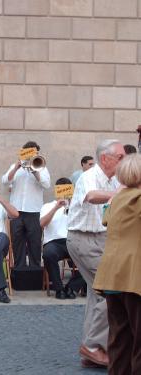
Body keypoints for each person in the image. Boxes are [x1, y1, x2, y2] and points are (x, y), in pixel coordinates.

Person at [67, 139, 126, 369]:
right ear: (105, 159)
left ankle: (91, 349)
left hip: (100, 239)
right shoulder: (90, 176)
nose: (123, 162)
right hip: (84, 239)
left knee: (96, 293)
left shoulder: (114, 179)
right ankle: (92, 345)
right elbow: (91, 196)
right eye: (120, 157)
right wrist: (120, 194)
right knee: (109, 290)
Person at [93, 154, 141, 375]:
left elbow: (105, 219)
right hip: (134, 277)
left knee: (119, 341)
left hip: (112, 276)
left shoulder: (117, 198)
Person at [1, 141, 50, 269]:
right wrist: (16, 166)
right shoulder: (15, 166)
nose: (33, 155)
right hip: (16, 212)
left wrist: (35, 172)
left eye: (36, 153)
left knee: (34, 242)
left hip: (34, 211)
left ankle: (35, 270)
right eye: (30, 152)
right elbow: (5, 181)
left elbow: (46, 184)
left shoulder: (42, 167)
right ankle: (19, 269)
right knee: (17, 242)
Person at [40, 178, 85, 300]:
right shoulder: (47, 206)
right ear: (57, 191)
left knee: (89, 256)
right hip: (53, 243)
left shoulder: (76, 206)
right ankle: (59, 289)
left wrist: (72, 205)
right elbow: (42, 224)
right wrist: (56, 207)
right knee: (48, 254)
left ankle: (71, 287)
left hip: (72, 240)